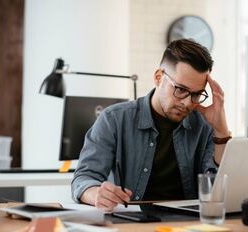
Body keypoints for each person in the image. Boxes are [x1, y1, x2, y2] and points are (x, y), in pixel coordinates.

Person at [71, 38, 231, 211]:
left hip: (187, 225)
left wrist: (221, 131)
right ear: (158, 77)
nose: (187, 103)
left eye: (197, 94)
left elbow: (216, 190)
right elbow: (83, 179)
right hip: (131, 223)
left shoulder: (205, 126)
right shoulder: (113, 119)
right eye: (181, 89)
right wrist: (96, 194)